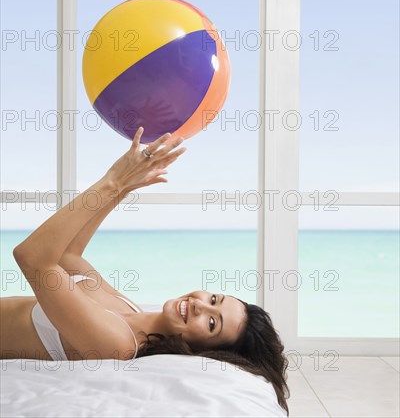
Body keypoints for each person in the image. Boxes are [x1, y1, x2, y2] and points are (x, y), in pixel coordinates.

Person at [0, 127, 289, 415]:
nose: (200, 305)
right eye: (214, 299)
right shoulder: (131, 309)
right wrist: (125, 187)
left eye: (212, 324)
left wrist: (113, 181)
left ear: (206, 351)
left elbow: (32, 258)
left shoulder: (118, 343)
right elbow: (67, 256)